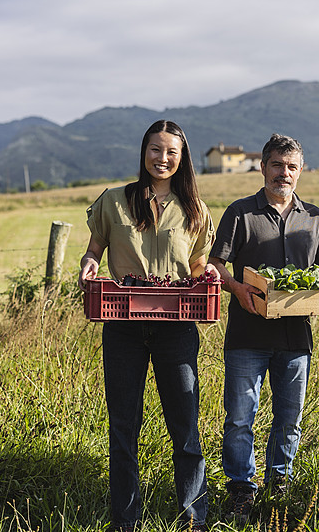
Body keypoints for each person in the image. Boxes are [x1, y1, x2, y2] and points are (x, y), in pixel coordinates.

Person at [78, 120, 216, 532]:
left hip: (176, 327)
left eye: (171, 151)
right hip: (123, 325)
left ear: (182, 157)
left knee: (185, 425)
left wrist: (207, 275)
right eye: (156, 149)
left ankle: (194, 518)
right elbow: (93, 250)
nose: (163, 158)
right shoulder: (114, 201)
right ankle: (125, 520)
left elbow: (197, 268)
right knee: (123, 427)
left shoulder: (194, 209)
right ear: (144, 152)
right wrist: (89, 264)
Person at [208, 133, 319, 523]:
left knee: (289, 418)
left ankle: (279, 485)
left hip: (296, 338)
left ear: (300, 171)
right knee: (240, 417)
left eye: (291, 167)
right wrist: (236, 287)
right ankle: (241, 491)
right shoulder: (241, 212)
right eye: (277, 165)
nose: (284, 173)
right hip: (247, 336)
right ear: (263, 168)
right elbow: (215, 263)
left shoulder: (314, 218)